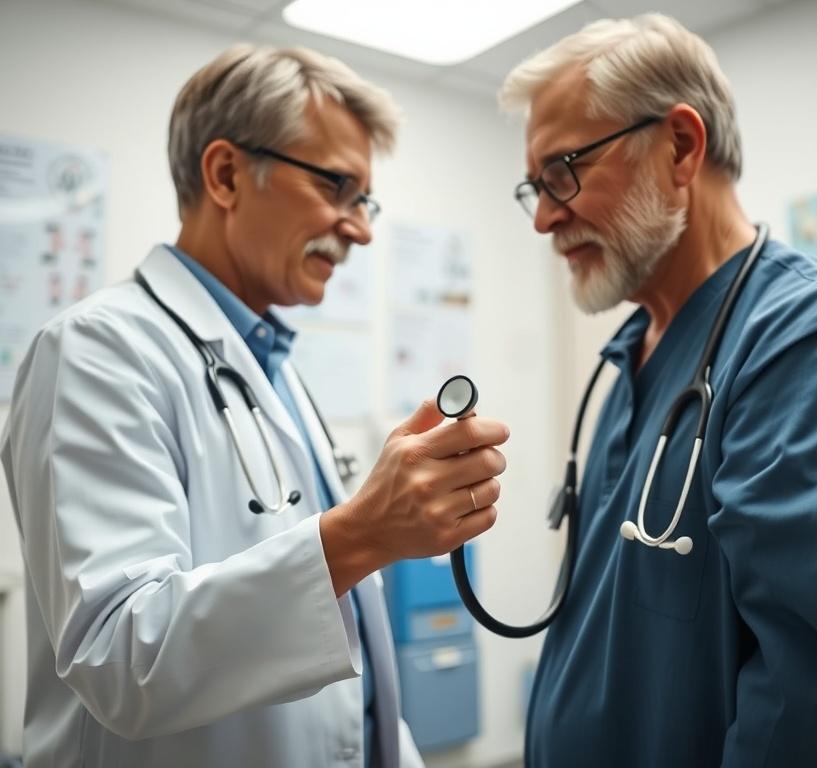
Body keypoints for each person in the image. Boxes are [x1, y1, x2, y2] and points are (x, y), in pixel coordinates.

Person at [1, 44, 509, 768]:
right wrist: (361, 534)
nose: (360, 227)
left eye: (364, 199)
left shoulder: (270, 365)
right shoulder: (93, 351)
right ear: (226, 174)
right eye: (337, 186)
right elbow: (118, 657)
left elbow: (344, 651)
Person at [500, 14, 817, 767]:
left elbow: (812, 711)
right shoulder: (635, 359)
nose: (546, 217)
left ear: (681, 146)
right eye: (535, 187)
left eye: (564, 171)